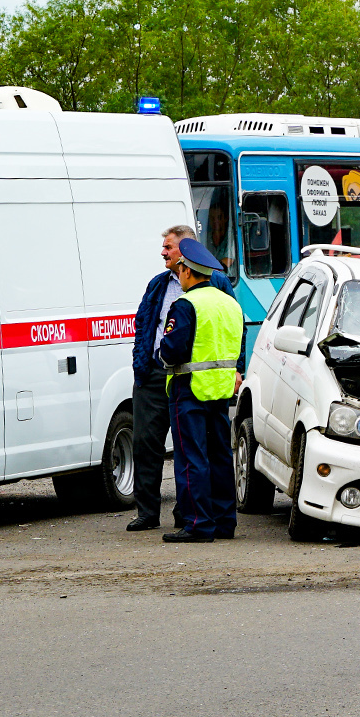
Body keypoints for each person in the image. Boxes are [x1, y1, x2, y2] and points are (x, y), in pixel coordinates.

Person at [125, 226, 244, 532]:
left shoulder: (205, 291)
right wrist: (143, 362)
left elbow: (220, 335)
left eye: (169, 247)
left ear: (186, 255)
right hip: (160, 377)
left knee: (192, 453)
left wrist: (236, 370)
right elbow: (145, 325)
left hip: (188, 382)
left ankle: (193, 519)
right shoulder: (159, 285)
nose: (164, 252)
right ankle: (153, 513)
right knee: (148, 444)